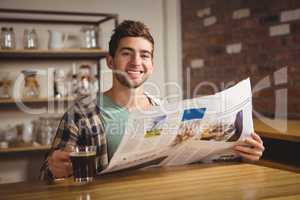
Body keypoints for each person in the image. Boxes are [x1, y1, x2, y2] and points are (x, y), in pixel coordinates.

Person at [40, 20, 264, 182]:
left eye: (145, 55)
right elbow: (45, 175)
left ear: (152, 64)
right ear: (110, 61)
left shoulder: (164, 109)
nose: (136, 62)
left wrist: (243, 153)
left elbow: (196, 160)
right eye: (126, 53)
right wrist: (53, 169)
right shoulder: (81, 113)